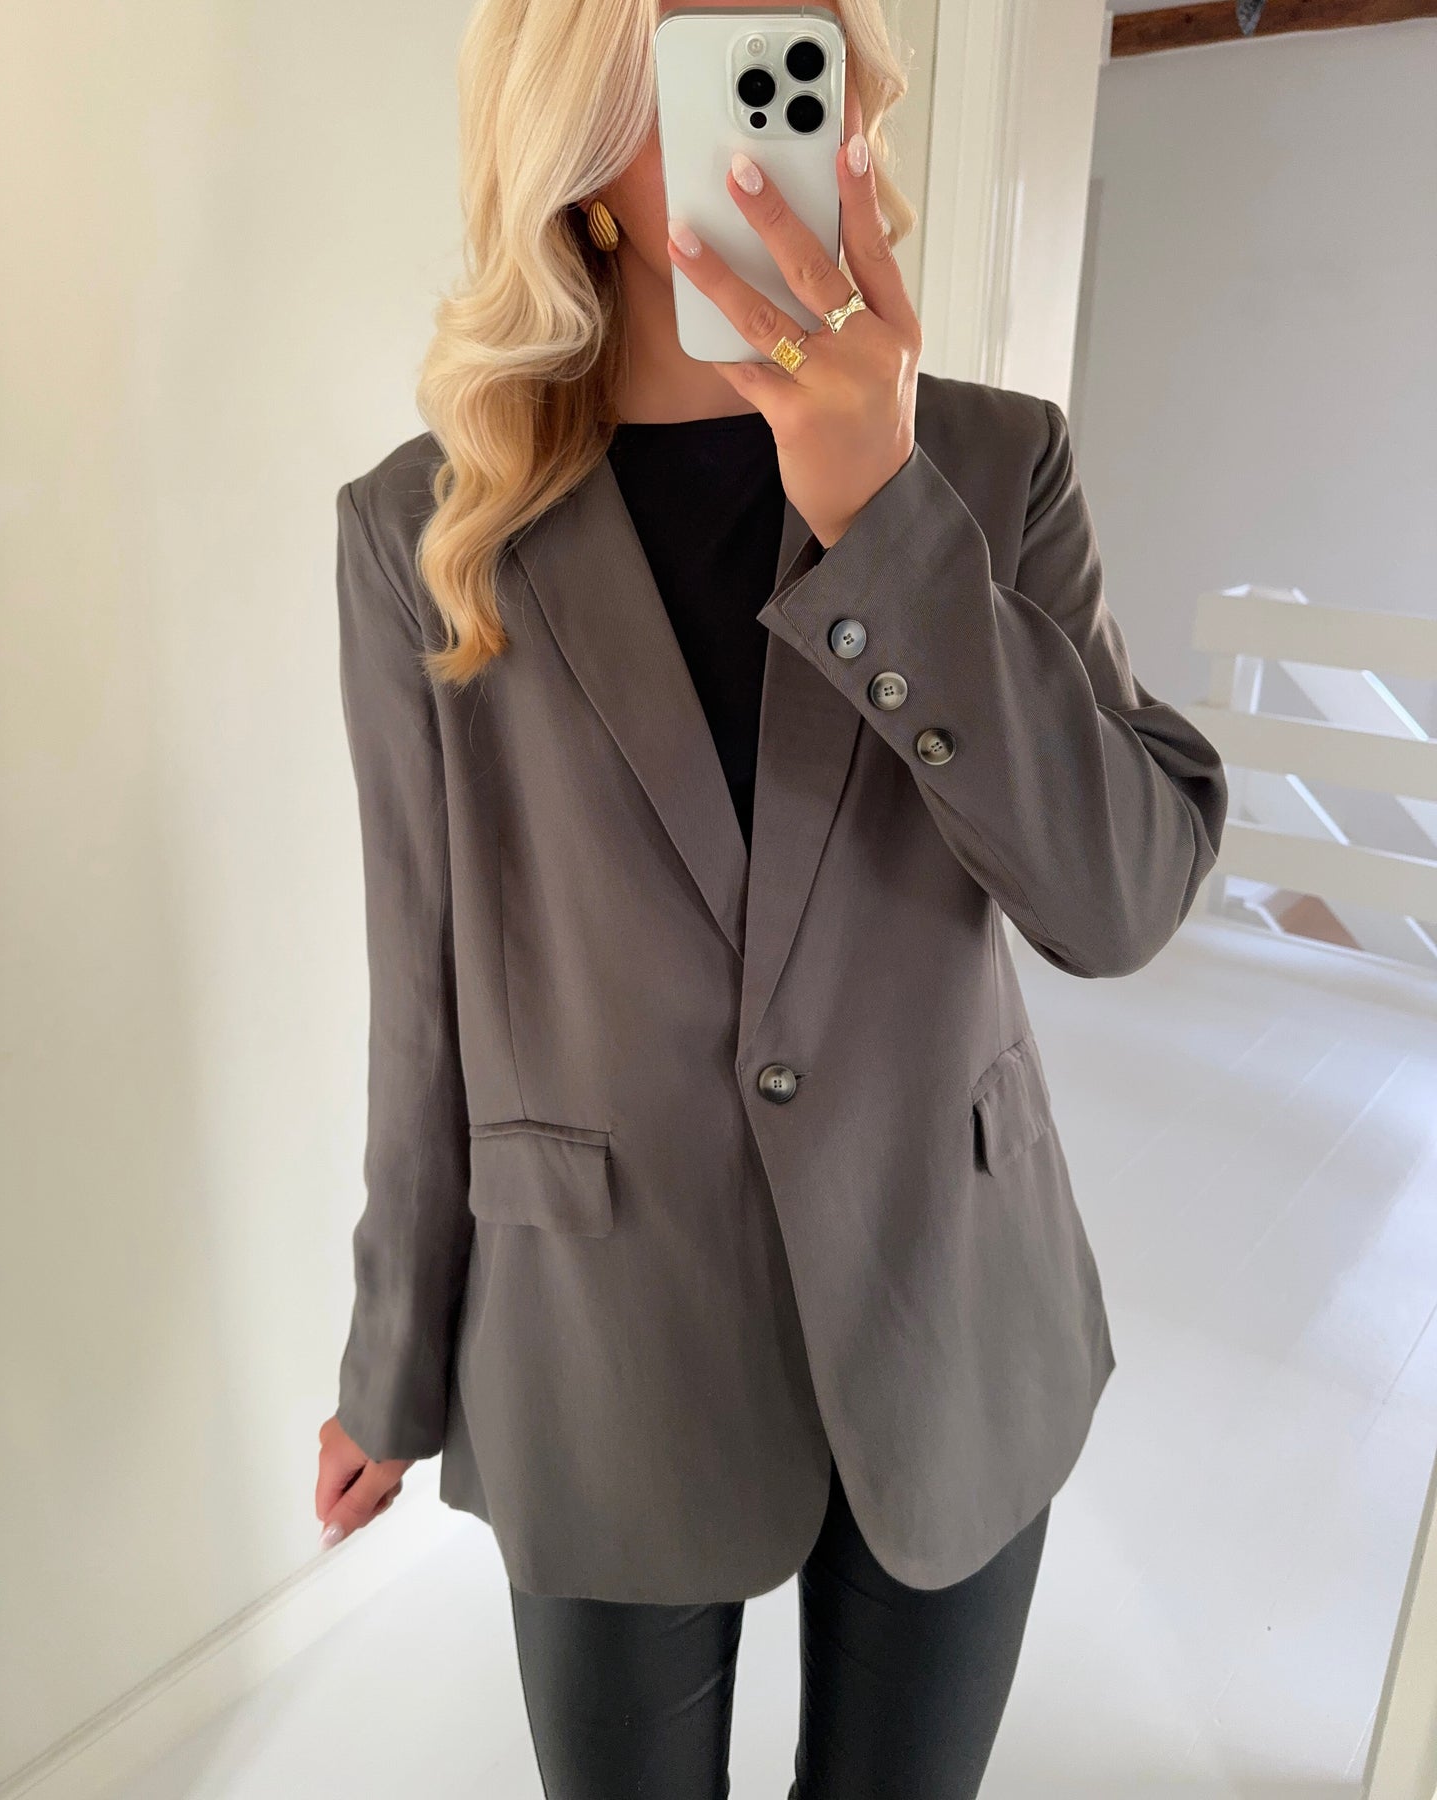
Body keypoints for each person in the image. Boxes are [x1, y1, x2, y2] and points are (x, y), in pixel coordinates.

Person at [313, 2, 1229, 1796]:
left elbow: (1122, 897)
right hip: (605, 1341)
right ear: (584, 144)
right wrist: (391, 1361)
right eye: (714, 61)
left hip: (954, 1305)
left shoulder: (995, 467)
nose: (794, 112)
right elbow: (421, 999)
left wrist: (886, 521)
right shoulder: (425, 531)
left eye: (813, 55)